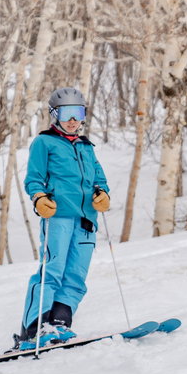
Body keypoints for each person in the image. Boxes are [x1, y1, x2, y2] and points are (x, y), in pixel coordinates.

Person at [14, 87, 112, 350]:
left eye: (78, 113)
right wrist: (39, 197)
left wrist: (102, 193)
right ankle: (34, 328)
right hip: (59, 217)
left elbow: (99, 179)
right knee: (52, 271)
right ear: (55, 115)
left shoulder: (86, 146)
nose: (72, 119)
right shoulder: (44, 142)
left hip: (86, 220)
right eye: (66, 113)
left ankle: (59, 323)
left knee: (76, 274)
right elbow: (33, 179)